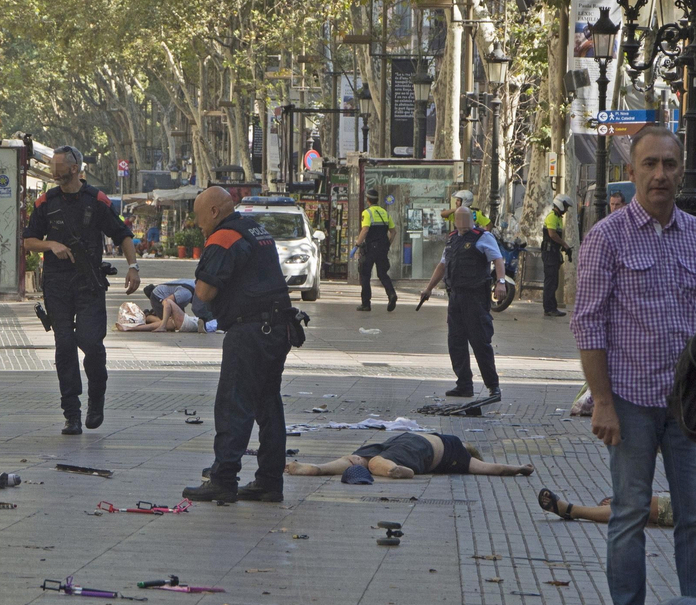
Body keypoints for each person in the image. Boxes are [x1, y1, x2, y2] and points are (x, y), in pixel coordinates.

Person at [569, 126, 696, 605]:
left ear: (682, 172)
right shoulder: (606, 237)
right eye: (650, 164)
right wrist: (602, 402)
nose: (660, 174)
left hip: (690, 407)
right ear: (632, 171)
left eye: (670, 165)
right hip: (630, 402)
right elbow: (588, 323)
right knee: (630, 513)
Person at [182, 186, 293, 503]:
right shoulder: (255, 229)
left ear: (214, 211)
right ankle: (270, 482)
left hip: (250, 331)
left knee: (233, 404)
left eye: (199, 217)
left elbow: (203, 293)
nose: (198, 224)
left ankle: (223, 479)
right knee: (268, 405)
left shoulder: (223, 237)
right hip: (278, 327)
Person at [23, 146, 140, 434]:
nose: (53, 171)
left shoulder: (96, 200)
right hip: (57, 282)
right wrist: (51, 244)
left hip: (89, 282)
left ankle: (96, 398)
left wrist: (133, 267)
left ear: (74, 168)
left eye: (58, 166)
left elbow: (123, 234)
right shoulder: (46, 202)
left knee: (91, 343)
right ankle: (71, 414)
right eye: (52, 165)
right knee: (64, 345)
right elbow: (28, 240)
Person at [419, 207, 506, 399]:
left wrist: (501, 282)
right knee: (456, 342)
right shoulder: (452, 239)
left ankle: (493, 386)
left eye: (467, 218)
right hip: (456, 297)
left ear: (472, 220)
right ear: (455, 221)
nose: (464, 222)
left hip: (475, 298)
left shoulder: (483, 237)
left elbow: (498, 260)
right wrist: (429, 288)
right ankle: (464, 385)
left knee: (480, 341)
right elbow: (442, 265)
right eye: (460, 219)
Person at [284, 432, 535, 478]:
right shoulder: (461, 457)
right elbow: (495, 468)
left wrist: (519, 468)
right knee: (376, 463)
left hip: (402, 438)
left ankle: (319, 468)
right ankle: (391, 468)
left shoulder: (447, 440)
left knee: (356, 460)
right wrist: (519, 468)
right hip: (419, 450)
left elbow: (494, 467)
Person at [354, 188, 397, 312]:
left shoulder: (367, 213)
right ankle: (391, 294)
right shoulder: (385, 213)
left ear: (367, 200)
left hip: (370, 249)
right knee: (382, 273)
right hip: (383, 248)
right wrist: (387, 244)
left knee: (365, 274)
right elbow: (393, 232)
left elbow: (365, 230)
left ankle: (366, 304)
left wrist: (357, 245)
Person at [541, 195, 571, 318]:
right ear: (560, 204)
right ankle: (549, 308)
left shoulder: (557, 218)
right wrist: (564, 244)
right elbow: (552, 235)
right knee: (550, 282)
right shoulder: (552, 217)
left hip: (553, 253)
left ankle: (552, 307)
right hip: (549, 253)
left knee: (554, 282)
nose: (566, 209)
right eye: (566, 206)